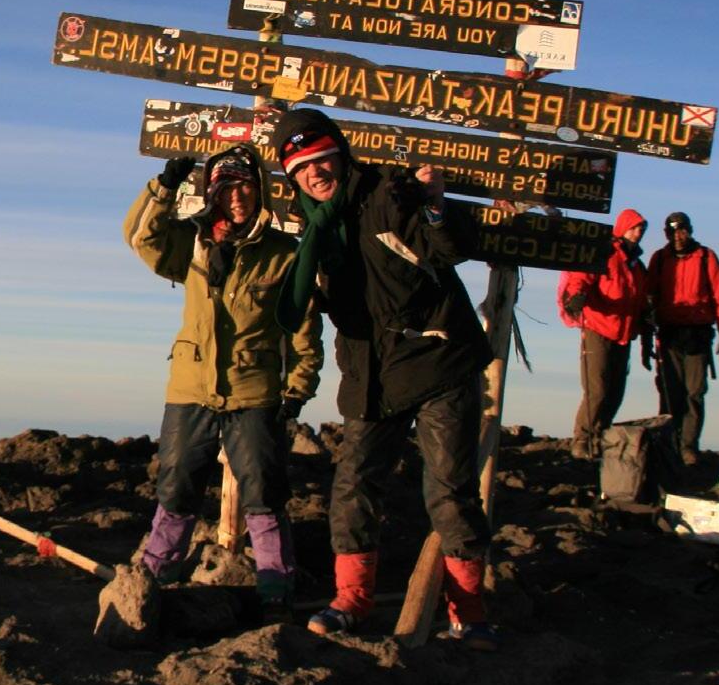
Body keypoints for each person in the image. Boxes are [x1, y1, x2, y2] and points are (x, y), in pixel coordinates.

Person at [271, 109, 499, 649]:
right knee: (353, 487)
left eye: (321, 159)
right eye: (300, 167)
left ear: (340, 155)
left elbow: (448, 249)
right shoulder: (313, 226)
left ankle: (468, 612)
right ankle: (351, 600)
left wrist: (436, 207)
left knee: (450, 490)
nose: (313, 172)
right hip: (370, 373)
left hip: (438, 361)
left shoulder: (387, 194)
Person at [124, 144, 314, 613]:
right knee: (177, 484)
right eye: (227, 188)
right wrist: (163, 189)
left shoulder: (283, 254)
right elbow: (141, 237)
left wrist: (298, 388)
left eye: (245, 186)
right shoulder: (191, 243)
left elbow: (304, 327)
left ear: (260, 191)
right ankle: (156, 573)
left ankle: (275, 585)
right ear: (212, 193)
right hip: (190, 388)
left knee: (264, 489)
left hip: (255, 391)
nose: (237, 197)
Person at [557, 209, 650, 460]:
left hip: (623, 334)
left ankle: (599, 439)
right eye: (634, 228)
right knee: (597, 389)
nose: (638, 233)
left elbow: (640, 298)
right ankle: (582, 440)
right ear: (622, 228)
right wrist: (576, 297)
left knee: (615, 392)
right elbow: (581, 277)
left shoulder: (637, 265)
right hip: (598, 328)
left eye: (641, 229)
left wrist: (645, 321)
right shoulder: (605, 253)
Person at [642, 211, 719, 462]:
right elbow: (648, 296)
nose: (677, 237)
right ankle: (668, 446)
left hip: (698, 333)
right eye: (672, 232)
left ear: (689, 231)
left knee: (694, 392)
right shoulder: (659, 259)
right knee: (669, 392)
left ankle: (688, 446)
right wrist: (646, 335)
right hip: (669, 333)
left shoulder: (706, 257)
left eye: (681, 231)